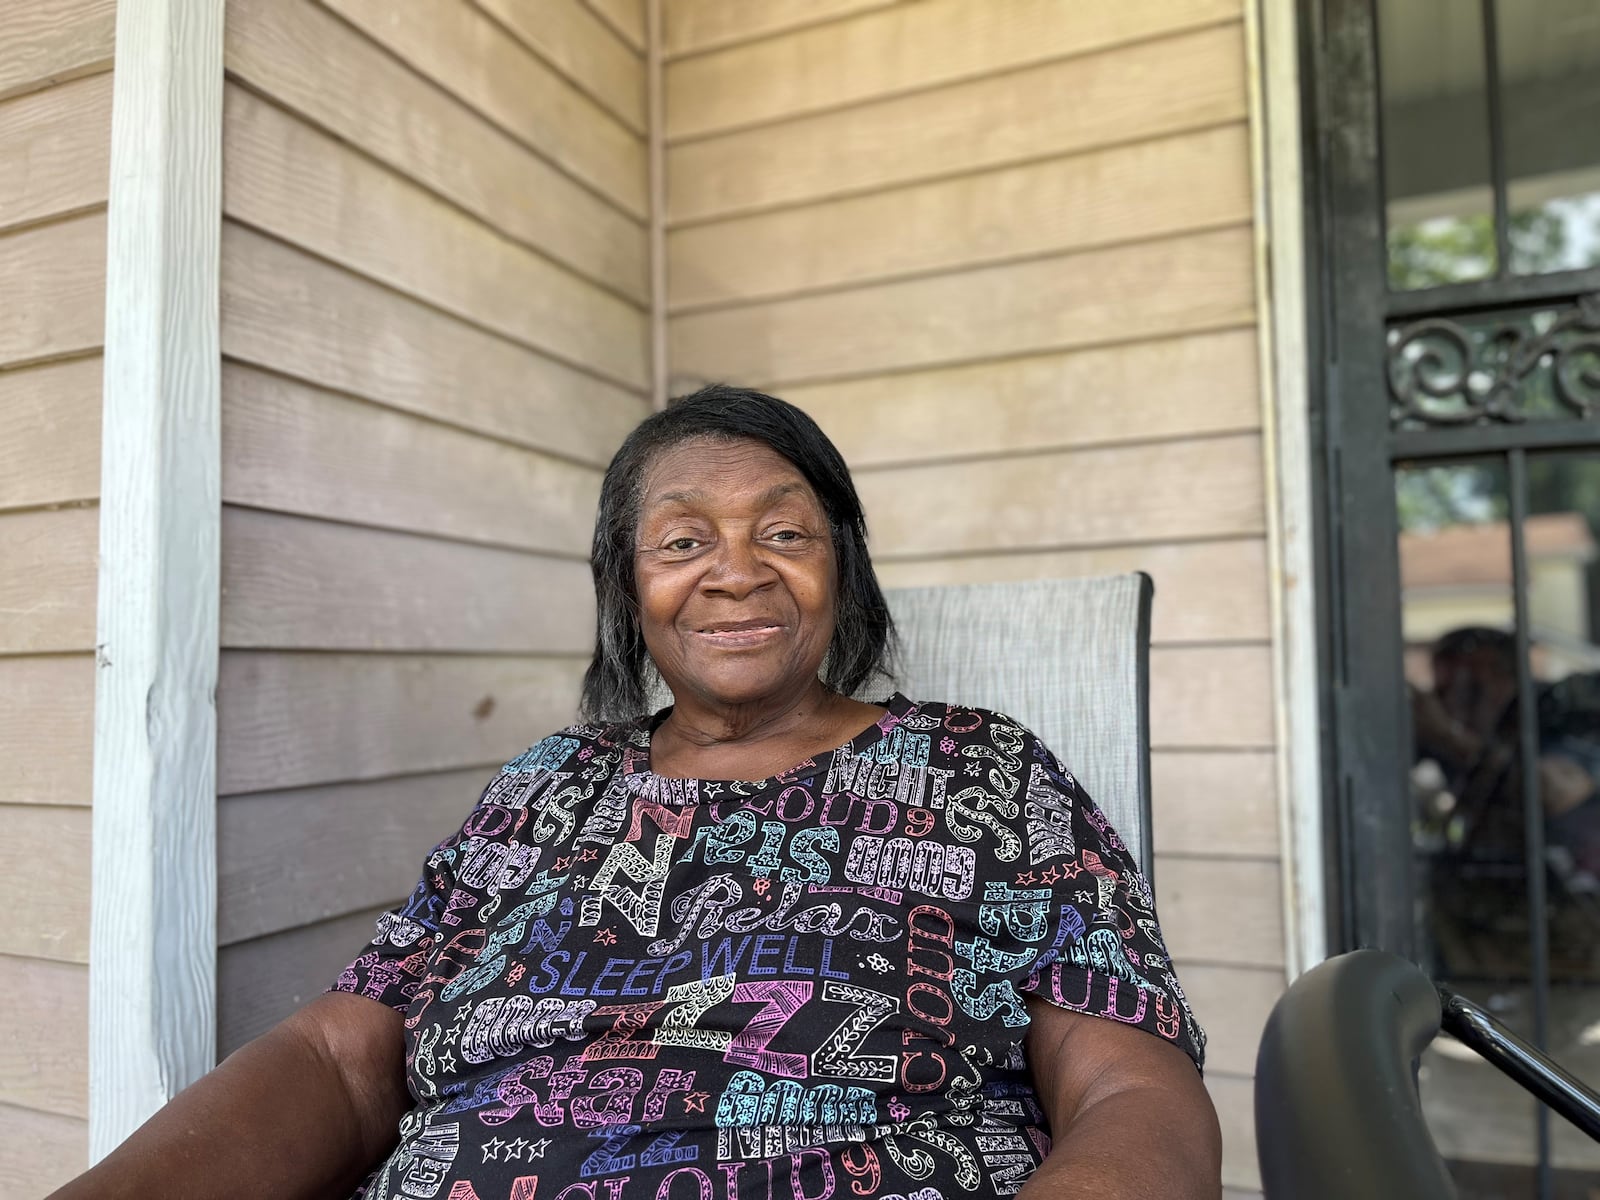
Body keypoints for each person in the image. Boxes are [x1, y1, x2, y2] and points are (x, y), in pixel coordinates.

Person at [51, 386, 1221, 1199]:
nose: (736, 569)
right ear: (627, 586)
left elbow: (1129, 1090)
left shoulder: (985, 772)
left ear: (839, 569)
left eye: (784, 531)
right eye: (680, 542)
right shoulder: (547, 785)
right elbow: (341, 1060)